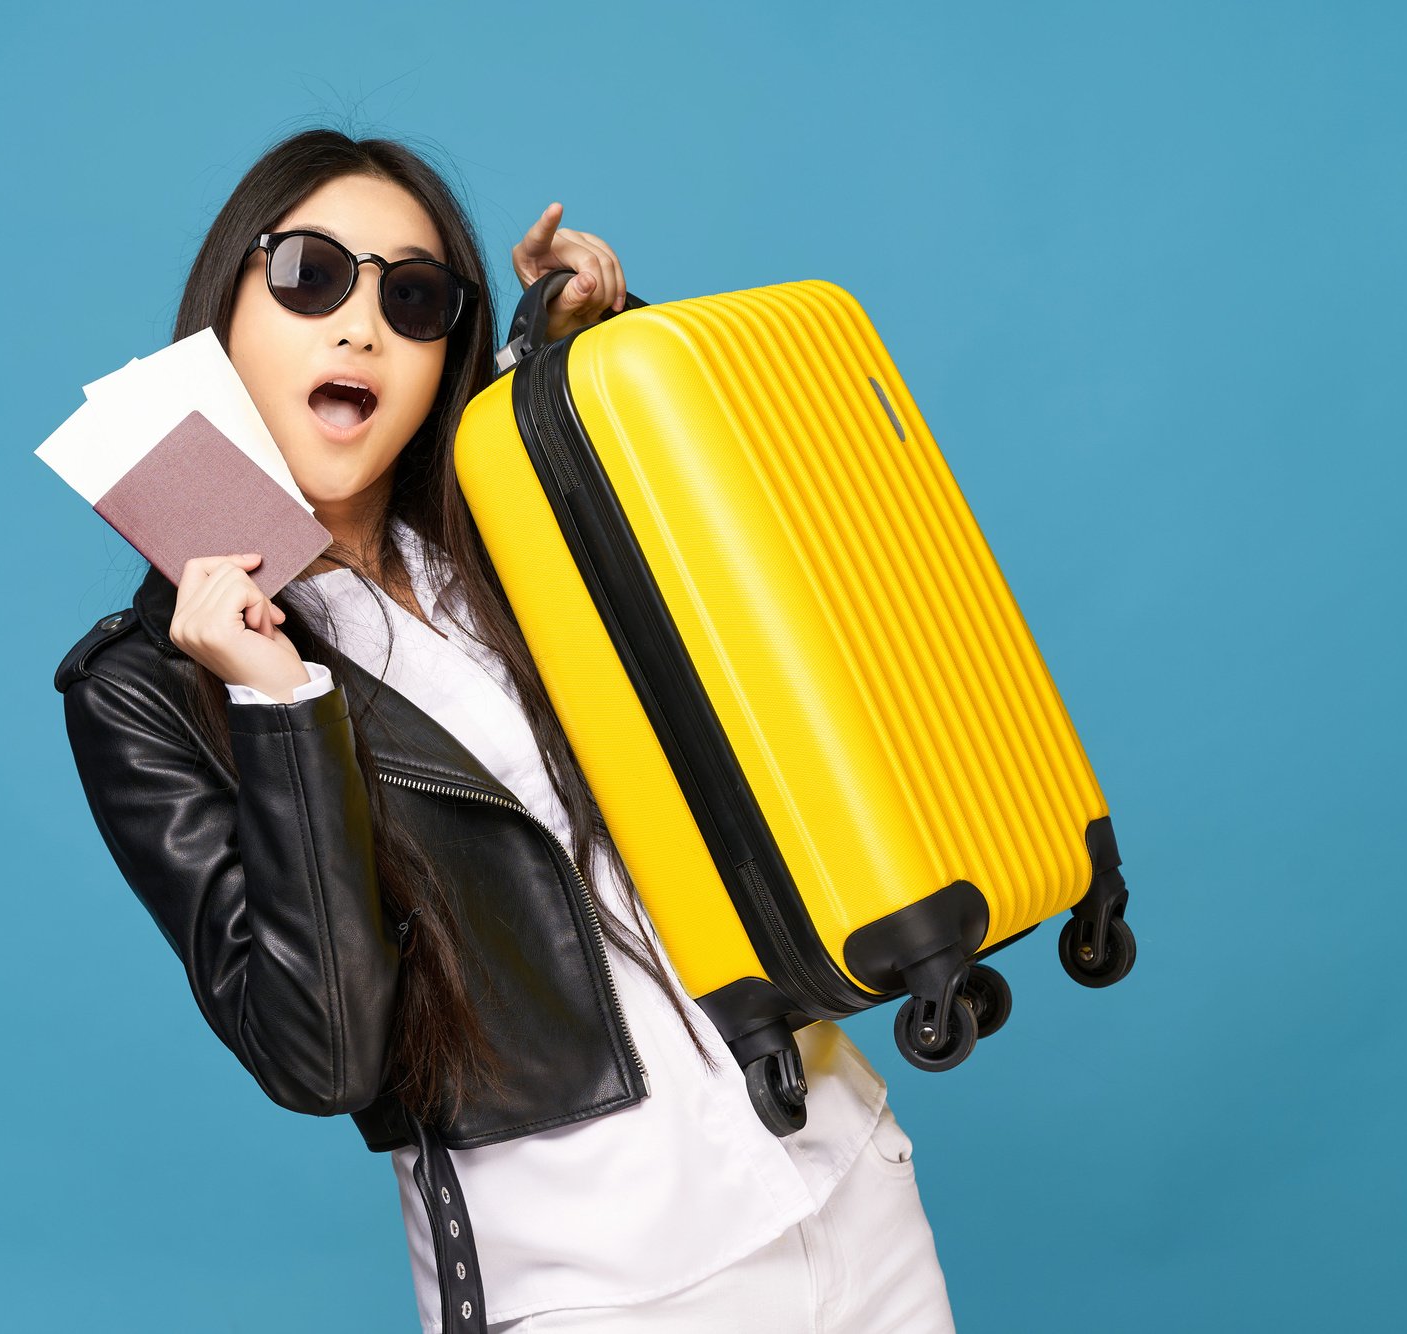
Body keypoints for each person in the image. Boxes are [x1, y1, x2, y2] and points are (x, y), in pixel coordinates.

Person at [55, 126, 957, 1334]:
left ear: (446, 352)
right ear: (226, 305)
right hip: (597, 1284)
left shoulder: (513, 529)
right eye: (310, 274)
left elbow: (759, 603)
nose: (360, 326)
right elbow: (322, 1054)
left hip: (844, 1177)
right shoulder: (146, 687)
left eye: (413, 296)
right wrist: (280, 704)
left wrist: (592, 356)